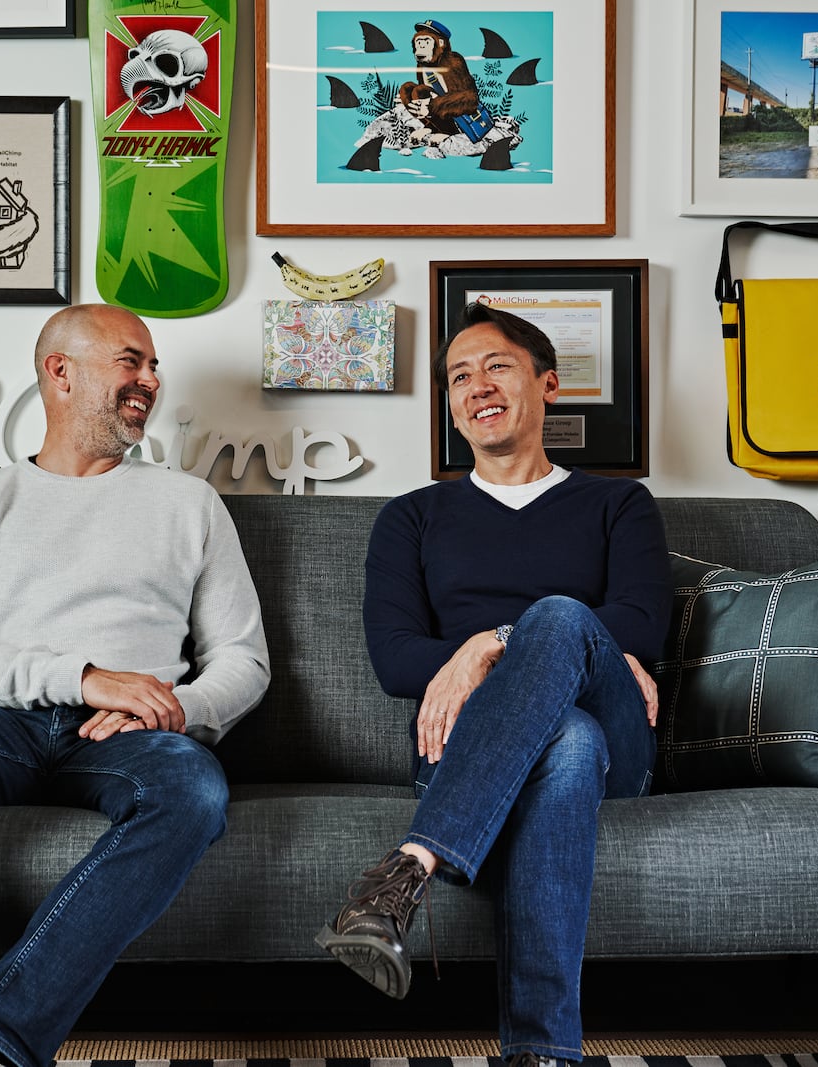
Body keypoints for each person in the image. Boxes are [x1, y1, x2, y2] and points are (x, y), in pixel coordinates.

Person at [0, 304, 271, 1067]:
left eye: (153, 365)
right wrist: (81, 676)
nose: (149, 379)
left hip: (127, 741)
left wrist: (175, 710)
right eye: (130, 361)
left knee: (196, 789)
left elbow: (244, 658)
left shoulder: (189, 504)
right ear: (61, 372)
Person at [315, 302, 670, 1065]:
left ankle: (408, 866)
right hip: (475, 747)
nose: (476, 385)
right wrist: (478, 647)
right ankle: (543, 1051)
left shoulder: (619, 504)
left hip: (623, 746)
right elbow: (395, 659)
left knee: (564, 618)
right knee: (566, 741)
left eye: (496, 366)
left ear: (548, 384)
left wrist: (491, 643)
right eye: (457, 376)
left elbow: (640, 625)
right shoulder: (412, 517)